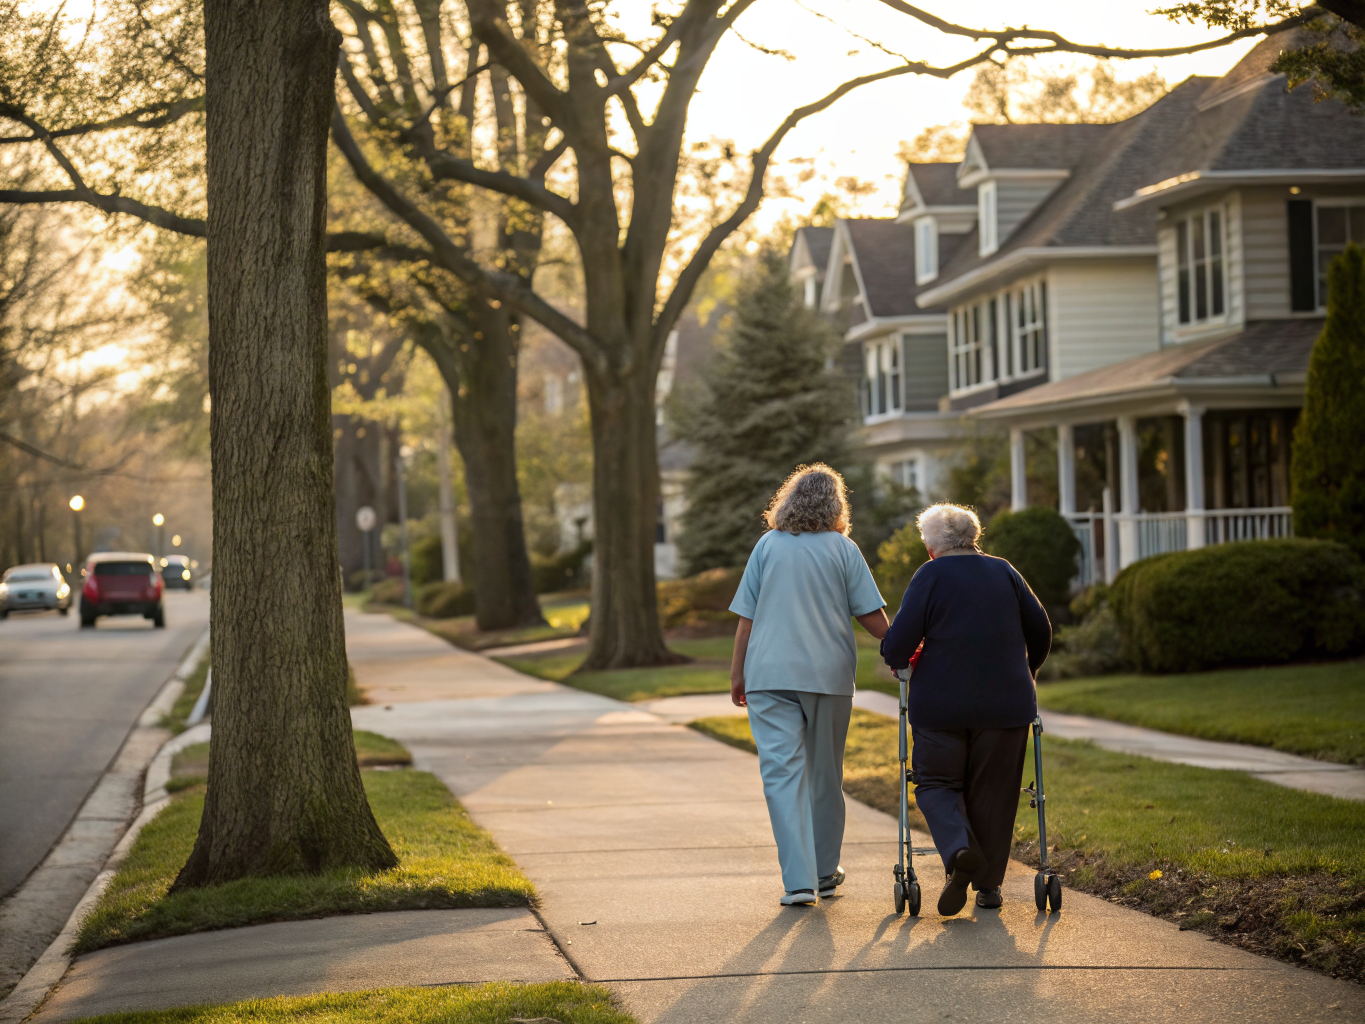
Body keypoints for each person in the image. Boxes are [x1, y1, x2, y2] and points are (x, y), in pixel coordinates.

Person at [729, 464, 889, 906]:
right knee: (824, 775)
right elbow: (873, 620)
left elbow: (747, 620)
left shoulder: (767, 545)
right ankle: (822, 873)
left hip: (768, 674)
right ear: (836, 505)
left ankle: (798, 882)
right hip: (827, 676)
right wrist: (904, 648)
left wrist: (738, 673)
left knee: (781, 776)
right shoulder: (844, 549)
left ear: (790, 501)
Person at [880, 503, 1051, 916]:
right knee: (994, 793)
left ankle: (959, 851)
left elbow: (897, 645)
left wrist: (897, 657)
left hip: (941, 706)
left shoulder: (931, 575)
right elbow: (1041, 629)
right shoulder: (1005, 571)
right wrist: (1027, 670)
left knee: (936, 784)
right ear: (974, 537)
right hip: (1006, 706)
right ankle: (989, 888)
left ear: (930, 546)